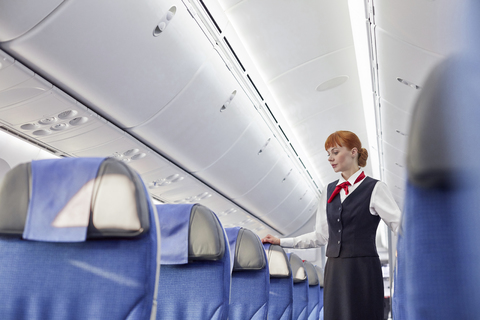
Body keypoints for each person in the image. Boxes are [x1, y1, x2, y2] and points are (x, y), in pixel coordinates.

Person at [262, 130, 401, 320]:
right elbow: (320, 236)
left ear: (353, 152)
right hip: (335, 269)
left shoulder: (375, 188)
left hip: (363, 270)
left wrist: (405, 252)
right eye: (328, 154)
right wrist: (281, 241)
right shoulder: (328, 191)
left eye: (335, 152)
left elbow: (400, 225)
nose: (330, 158)